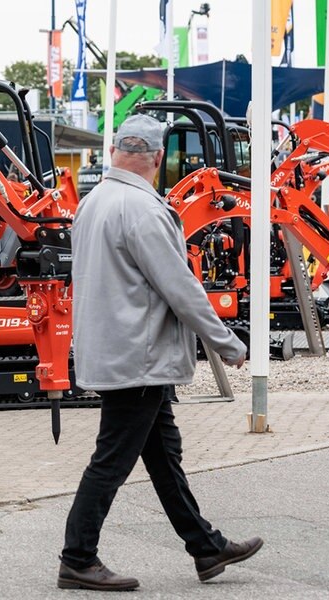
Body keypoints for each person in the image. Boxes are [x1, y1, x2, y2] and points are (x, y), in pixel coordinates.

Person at [58, 114, 262, 592]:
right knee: (111, 460)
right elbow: (181, 288)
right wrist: (226, 343)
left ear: (114, 153)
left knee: (163, 456)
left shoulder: (93, 203)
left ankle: (206, 548)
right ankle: (77, 557)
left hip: (114, 350)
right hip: (139, 357)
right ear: (155, 159)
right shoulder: (144, 210)